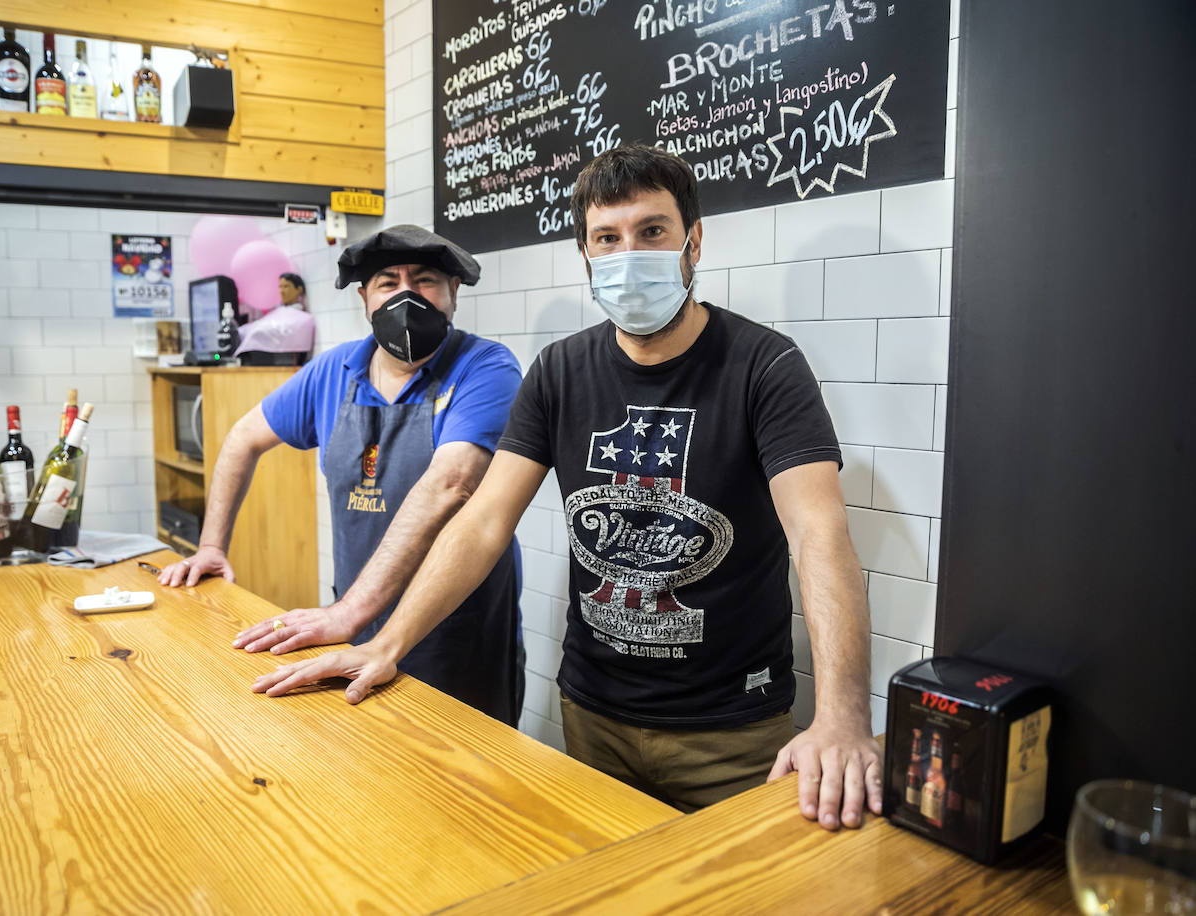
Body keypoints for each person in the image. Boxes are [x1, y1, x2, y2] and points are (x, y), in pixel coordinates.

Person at [251, 146, 883, 830]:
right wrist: (386, 642)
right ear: (584, 252)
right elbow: (484, 520)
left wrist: (844, 718)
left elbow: (817, 533)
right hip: (593, 717)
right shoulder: (559, 371)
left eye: (652, 231)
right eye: (607, 238)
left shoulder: (766, 366)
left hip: (732, 730)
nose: (628, 253)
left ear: (693, 240)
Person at [158, 225, 526, 726]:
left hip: (455, 635)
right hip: (351, 630)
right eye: (388, 283)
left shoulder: (484, 367)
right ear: (364, 298)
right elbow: (243, 438)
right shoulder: (334, 371)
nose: (407, 296)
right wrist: (211, 546)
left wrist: (348, 612)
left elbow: (450, 484)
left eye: (425, 281)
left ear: (454, 291)